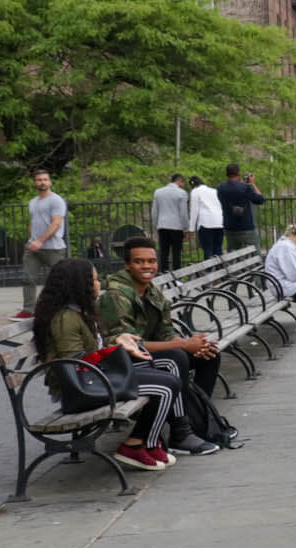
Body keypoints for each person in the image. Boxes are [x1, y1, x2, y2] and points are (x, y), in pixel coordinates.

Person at [32, 257, 203, 471]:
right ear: (78, 284)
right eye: (93, 280)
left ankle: (146, 443)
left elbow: (93, 349)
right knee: (165, 387)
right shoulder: (66, 318)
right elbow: (74, 361)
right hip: (80, 388)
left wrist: (119, 339)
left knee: (169, 375)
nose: (99, 284)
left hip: (95, 377)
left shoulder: (80, 311)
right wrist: (114, 351)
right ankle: (137, 445)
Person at [100, 237, 234, 451]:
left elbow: (166, 331)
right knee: (176, 358)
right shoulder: (116, 295)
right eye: (139, 261)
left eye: (151, 261)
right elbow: (129, 345)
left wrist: (193, 344)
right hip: (123, 363)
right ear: (127, 265)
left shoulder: (151, 290)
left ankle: (200, 421)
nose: (147, 266)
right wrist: (182, 345)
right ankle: (181, 433)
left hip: (149, 356)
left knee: (208, 354)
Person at [17, 169, 68, 319]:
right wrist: (31, 240)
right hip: (33, 248)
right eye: (39, 180)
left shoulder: (56, 200)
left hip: (54, 248)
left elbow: (56, 223)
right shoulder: (32, 202)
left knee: (61, 279)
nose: (42, 182)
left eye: (45, 179)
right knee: (27, 278)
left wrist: (40, 241)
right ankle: (28, 310)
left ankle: (64, 307)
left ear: (50, 182)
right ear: (35, 183)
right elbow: (33, 222)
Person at [216, 163, 267, 251]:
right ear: (239, 173)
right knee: (255, 253)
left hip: (229, 227)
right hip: (246, 227)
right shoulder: (245, 187)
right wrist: (252, 184)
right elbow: (260, 200)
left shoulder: (220, 187)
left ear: (227, 174)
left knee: (233, 256)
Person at [152, 172, 190, 273]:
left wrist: (156, 225)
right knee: (176, 253)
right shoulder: (182, 193)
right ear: (180, 181)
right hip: (176, 227)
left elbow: (155, 212)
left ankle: (162, 276)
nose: (183, 185)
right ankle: (176, 277)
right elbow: (183, 213)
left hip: (162, 226)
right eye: (183, 183)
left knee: (163, 253)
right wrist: (186, 229)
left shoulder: (158, 192)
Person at [188, 175, 224, 259]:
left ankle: (209, 271)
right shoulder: (214, 191)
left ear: (193, 185)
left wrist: (191, 228)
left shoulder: (195, 191)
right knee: (218, 249)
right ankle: (221, 269)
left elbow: (194, 210)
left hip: (206, 223)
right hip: (219, 222)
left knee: (208, 249)